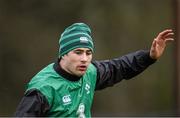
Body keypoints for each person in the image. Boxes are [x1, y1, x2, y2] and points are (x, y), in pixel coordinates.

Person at [15, 23, 174, 117]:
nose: (84, 58)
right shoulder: (43, 89)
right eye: (78, 52)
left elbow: (120, 67)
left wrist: (149, 56)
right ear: (63, 54)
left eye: (88, 53)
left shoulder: (90, 72)